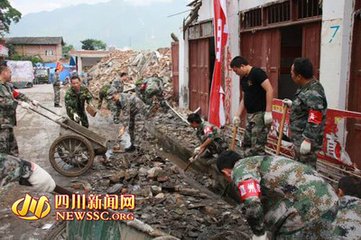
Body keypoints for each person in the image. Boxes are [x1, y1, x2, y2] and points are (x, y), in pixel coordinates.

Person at [216, 150, 338, 240]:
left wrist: (259, 234)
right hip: (330, 199)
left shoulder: (240, 169)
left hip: (307, 204)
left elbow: (252, 204)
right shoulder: (260, 160)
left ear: (226, 172)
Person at [282, 58, 327, 168]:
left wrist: (307, 140)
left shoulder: (313, 92)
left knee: (307, 171)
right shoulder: (306, 87)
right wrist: (293, 105)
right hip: (299, 139)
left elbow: (315, 116)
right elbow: (307, 107)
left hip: (306, 141)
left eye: (292, 73)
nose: (291, 75)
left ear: (299, 76)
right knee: (299, 168)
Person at [230, 56, 274, 157]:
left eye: (236, 71)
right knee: (247, 142)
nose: (236, 74)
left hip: (260, 113)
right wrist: (237, 115)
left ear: (242, 66)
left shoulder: (257, 73)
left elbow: (269, 89)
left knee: (257, 145)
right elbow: (244, 98)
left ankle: (259, 167)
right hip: (250, 114)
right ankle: (248, 165)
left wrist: (268, 111)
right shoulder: (244, 79)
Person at [0, 62, 39, 156]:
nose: (11, 74)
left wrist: (30, 100)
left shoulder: (7, 86)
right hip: (1, 124)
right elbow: (3, 102)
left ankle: (14, 166)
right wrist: (20, 103)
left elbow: (17, 95)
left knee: (13, 149)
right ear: (4, 73)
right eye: (10, 72)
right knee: (3, 150)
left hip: (8, 123)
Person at [107, 88, 147, 152]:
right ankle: (133, 146)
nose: (112, 99)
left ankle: (139, 149)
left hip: (140, 110)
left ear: (116, 93)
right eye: (111, 98)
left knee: (138, 129)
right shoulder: (117, 100)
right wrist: (116, 118)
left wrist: (123, 127)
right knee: (130, 128)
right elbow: (118, 110)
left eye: (113, 97)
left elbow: (126, 115)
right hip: (132, 111)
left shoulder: (125, 100)